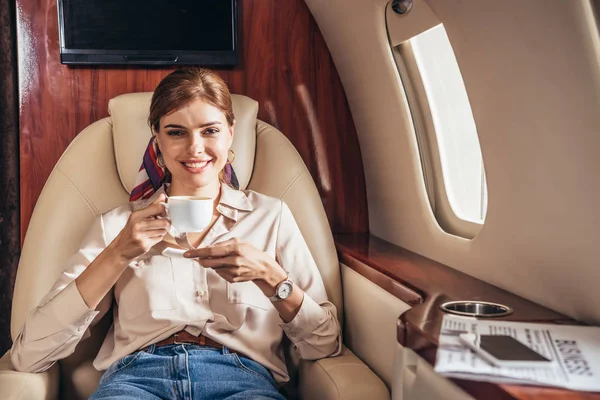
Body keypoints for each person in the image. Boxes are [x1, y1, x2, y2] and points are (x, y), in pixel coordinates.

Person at [10, 68, 342, 399]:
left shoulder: (272, 217)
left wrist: (272, 278)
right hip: (135, 380)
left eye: (210, 130)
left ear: (230, 132)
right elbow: (29, 355)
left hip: (243, 381)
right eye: (176, 132)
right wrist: (118, 253)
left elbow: (324, 343)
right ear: (157, 138)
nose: (195, 148)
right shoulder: (117, 226)